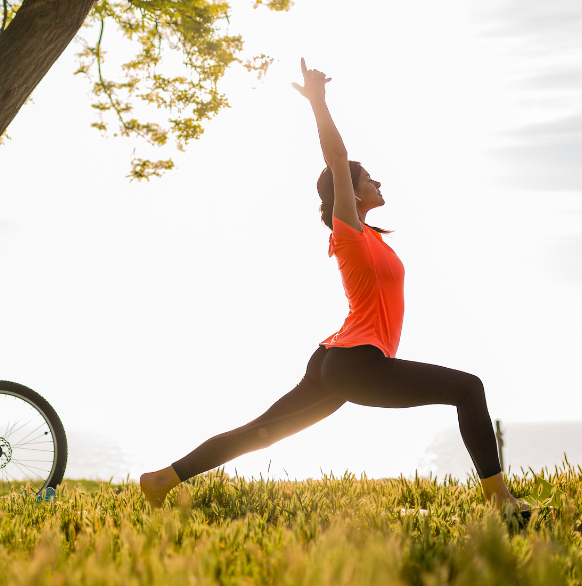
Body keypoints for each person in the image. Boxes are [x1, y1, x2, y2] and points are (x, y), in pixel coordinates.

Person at [139, 59, 529, 512]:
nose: (377, 180)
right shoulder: (347, 232)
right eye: (369, 178)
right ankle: (500, 500)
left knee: (263, 431)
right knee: (469, 389)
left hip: (336, 359)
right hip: (354, 363)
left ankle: (162, 480)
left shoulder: (373, 239)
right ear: (350, 191)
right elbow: (337, 159)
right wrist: (319, 103)